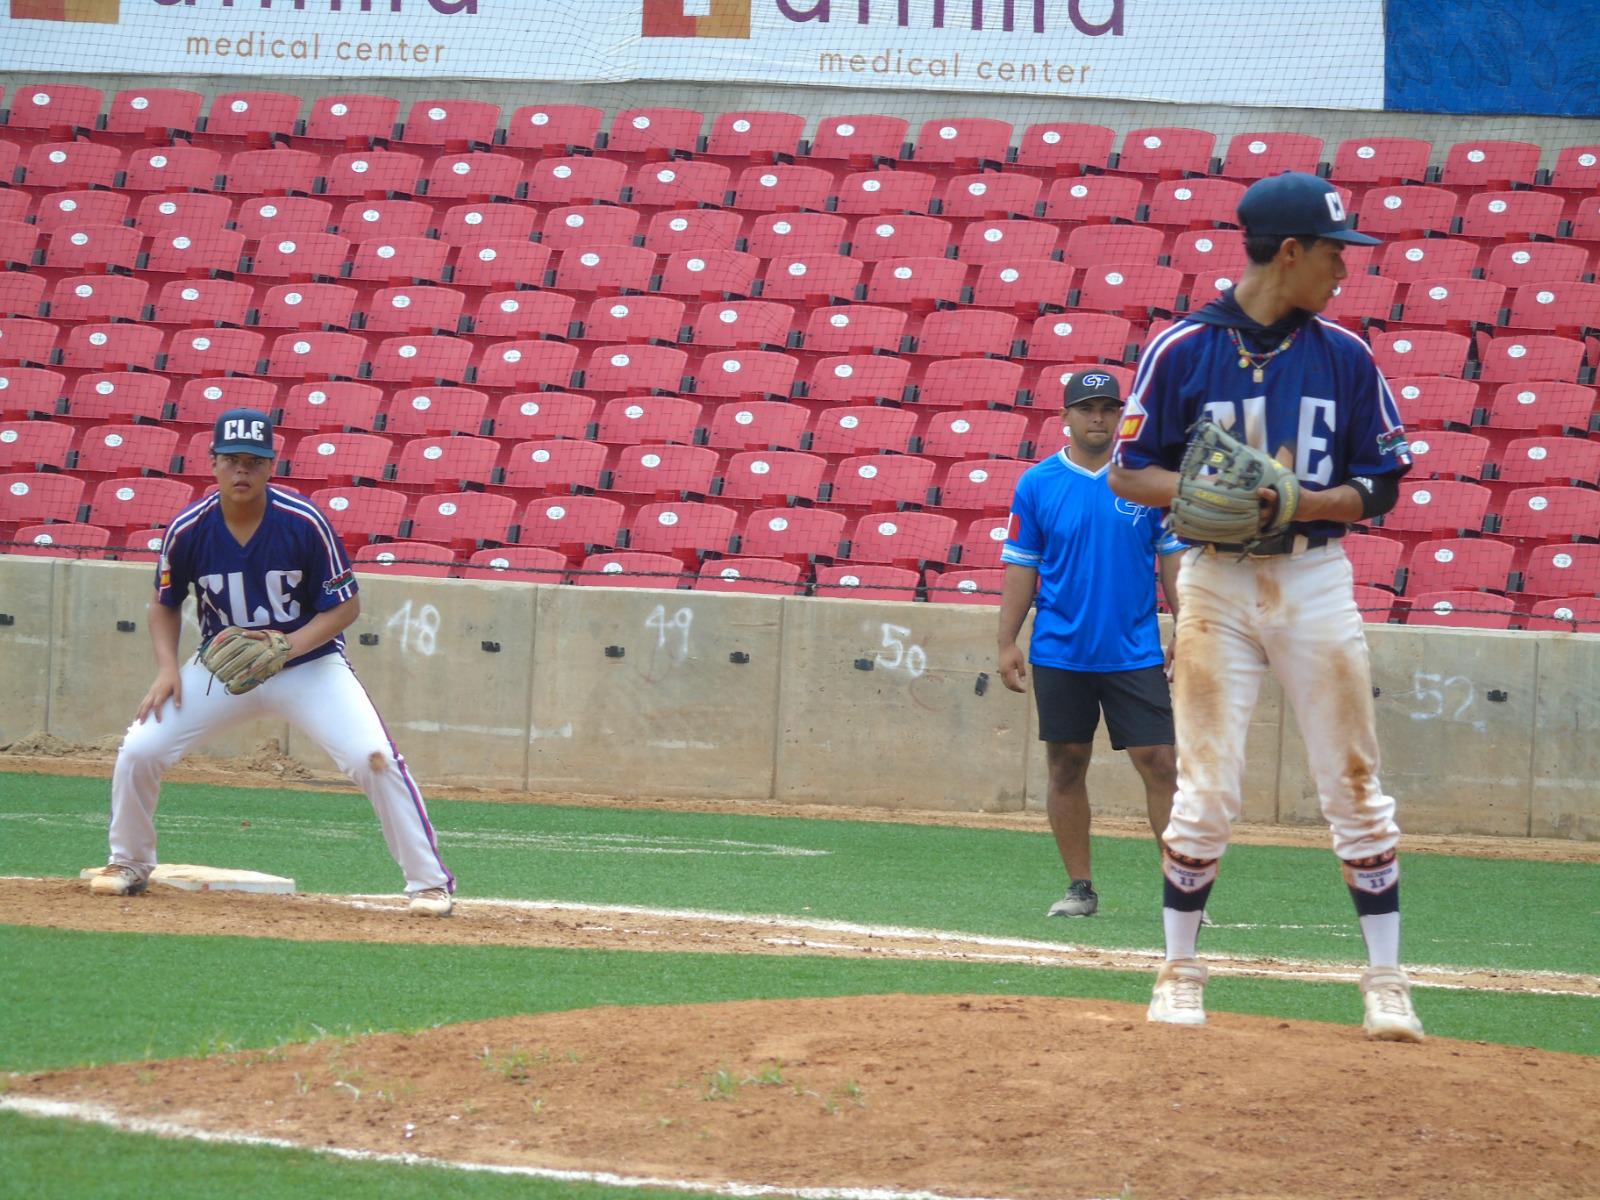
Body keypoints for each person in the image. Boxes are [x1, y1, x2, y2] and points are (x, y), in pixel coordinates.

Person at [1109, 172, 1423, 1041]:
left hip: (1315, 580)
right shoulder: (1183, 348)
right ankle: (1178, 971)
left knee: (1354, 784)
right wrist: (1210, 492)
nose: (1343, 269)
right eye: (1333, 252)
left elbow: (1384, 484)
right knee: (1206, 787)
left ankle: (1387, 981)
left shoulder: (1345, 355)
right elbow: (1131, 469)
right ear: (1289, 251)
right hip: (1217, 580)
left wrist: (1302, 502)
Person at [89, 408, 456, 916]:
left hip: (309, 666)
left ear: (270, 467)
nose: (242, 471)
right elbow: (164, 603)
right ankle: (128, 861)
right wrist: (168, 669)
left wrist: (288, 646)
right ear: (213, 464)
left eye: (253, 462)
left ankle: (428, 883)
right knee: (140, 749)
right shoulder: (189, 528)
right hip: (222, 670)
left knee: (373, 757)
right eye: (232, 460)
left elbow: (346, 606)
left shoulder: (303, 521)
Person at [998, 371, 1186, 919]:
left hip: (1135, 650)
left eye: (1108, 407)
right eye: (1087, 408)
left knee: (1160, 763)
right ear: (1067, 417)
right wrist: (1006, 640)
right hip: (1060, 650)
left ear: (1123, 416)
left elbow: (1173, 559)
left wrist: (1186, 626)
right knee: (1066, 764)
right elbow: (1020, 566)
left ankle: (1182, 891)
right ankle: (1080, 887)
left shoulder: (1147, 482)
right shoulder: (1037, 484)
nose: (1097, 418)